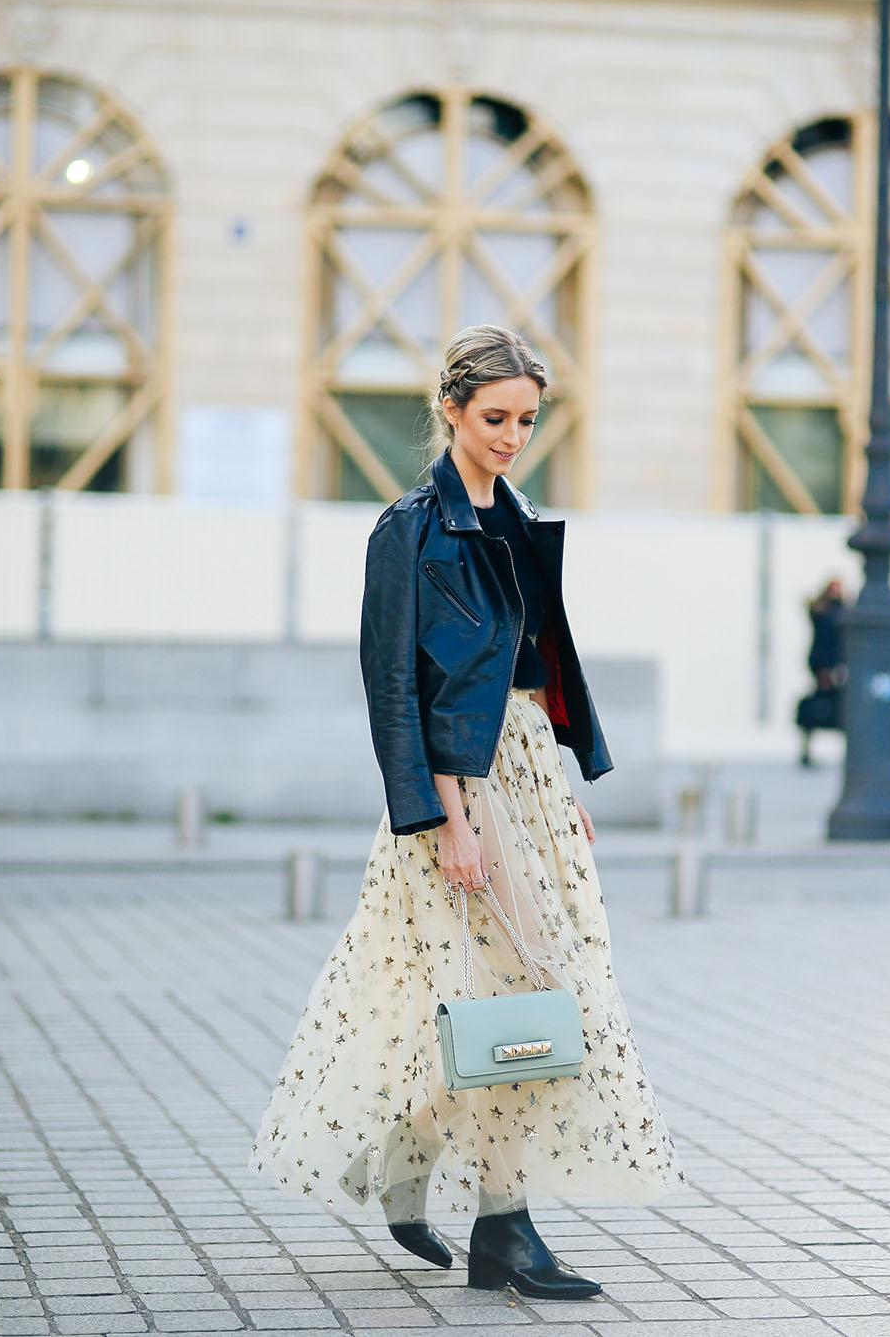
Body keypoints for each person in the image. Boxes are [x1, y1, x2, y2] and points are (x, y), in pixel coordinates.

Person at [249, 325, 684, 1300]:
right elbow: (394, 687)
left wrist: (562, 791)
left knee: (533, 1005)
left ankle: (418, 1159)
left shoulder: (518, 515)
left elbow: (531, 671)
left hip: (528, 779)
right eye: (494, 418)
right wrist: (443, 818)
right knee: (529, 1004)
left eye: (528, 420)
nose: (512, 437)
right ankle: (502, 1227)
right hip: (462, 792)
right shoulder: (409, 529)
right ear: (448, 408)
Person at [796, 578, 847, 767]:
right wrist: (823, 668)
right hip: (824, 665)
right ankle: (807, 753)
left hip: (836, 665)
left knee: (840, 709)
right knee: (818, 709)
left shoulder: (841, 612)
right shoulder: (824, 613)